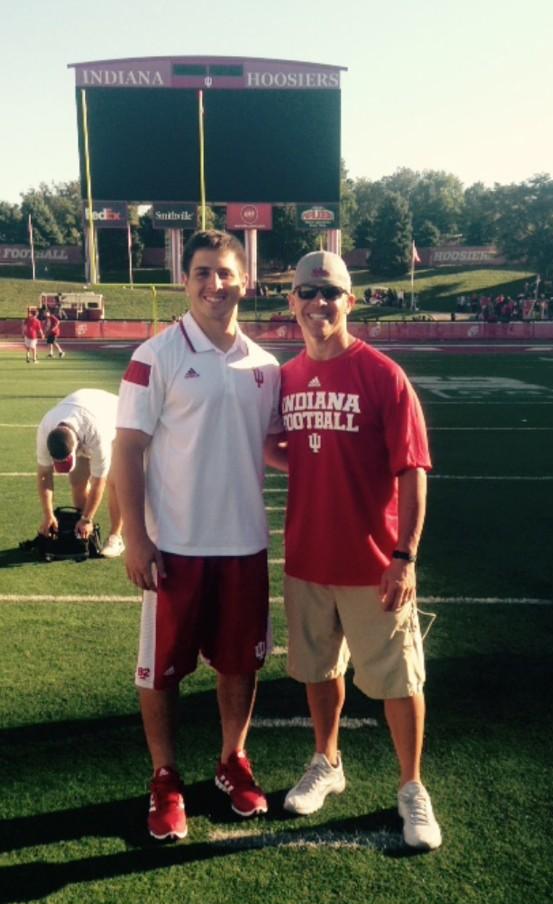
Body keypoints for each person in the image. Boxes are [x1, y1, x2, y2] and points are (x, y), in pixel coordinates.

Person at [266, 251, 442, 851]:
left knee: (398, 679)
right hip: (308, 558)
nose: (319, 303)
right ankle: (327, 762)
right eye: (307, 292)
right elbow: (275, 445)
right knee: (319, 671)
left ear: (351, 301)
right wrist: (316, 468)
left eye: (331, 293)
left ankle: (412, 787)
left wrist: (405, 556)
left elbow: (413, 470)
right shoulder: (286, 377)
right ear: (292, 301)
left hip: (374, 565)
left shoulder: (383, 375)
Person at [113, 229, 282, 841]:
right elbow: (127, 450)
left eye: (225, 273)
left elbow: (270, 446)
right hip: (175, 546)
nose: (215, 284)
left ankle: (232, 760)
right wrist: (136, 538)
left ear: (246, 283)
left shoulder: (266, 366)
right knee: (161, 672)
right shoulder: (154, 355)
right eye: (203, 273)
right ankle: (165, 776)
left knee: (240, 664)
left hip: (244, 542)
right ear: (184, 282)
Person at [36, 389, 124, 558]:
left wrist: (87, 519)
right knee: (77, 481)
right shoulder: (46, 428)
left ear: (75, 448)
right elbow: (44, 475)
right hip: (81, 416)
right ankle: (83, 532)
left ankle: (116, 537)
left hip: (116, 419)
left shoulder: (97, 433)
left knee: (116, 480)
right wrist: (48, 514)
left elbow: (99, 481)